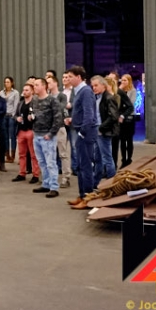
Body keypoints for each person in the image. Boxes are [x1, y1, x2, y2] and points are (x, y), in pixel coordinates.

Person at [65, 66, 98, 210]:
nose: (68, 79)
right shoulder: (78, 91)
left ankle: (88, 197)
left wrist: (82, 132)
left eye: (70, 76)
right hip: (80, 132)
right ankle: (82, 195)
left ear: (79, 77)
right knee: (79, 166)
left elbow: (89, 115)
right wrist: (73, 120)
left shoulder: (86, 92)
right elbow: (81, 112)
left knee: (85, 166)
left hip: (85, 134)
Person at [30, 77, 63, 198]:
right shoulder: (34, 100)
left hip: (47, 136)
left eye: (37, 85)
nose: (34, 87)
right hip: (36, 134)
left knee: (50, 162)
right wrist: (30, 117)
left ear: (44, 86)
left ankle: (54, 187)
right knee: (42, 162)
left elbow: (58, 118)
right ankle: (46, 183)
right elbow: (32, 112)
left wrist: (51, 133)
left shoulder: (52, 100)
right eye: (34, 85)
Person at [12, 83, 40, 184]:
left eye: (27, 90)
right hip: (21, 131)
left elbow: (39, 115)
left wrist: (33, 117)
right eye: (24, 90)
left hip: (31, 130)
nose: (24, 92)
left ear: (32, 91)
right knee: (21, 154)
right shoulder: (20, 103)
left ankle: (35, 174)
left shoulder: (35, 103)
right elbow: (15, 115)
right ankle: (22, 173)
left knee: (33, 155)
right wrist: (17, 118)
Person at [47, 75, 72, 188]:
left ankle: (66, 177)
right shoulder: (47, 96)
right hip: (49, 128)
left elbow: (60, 109)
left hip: (59, 127)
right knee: (50, 154)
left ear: (55, 83)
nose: (48, 85)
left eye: (49, 82)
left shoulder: (62, 96)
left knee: (63, 153)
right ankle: (51, 177)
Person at [92, 75, 118, 183]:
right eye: (93, 86)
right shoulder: (97, 98)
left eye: (96, 85)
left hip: (103, 131)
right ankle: (95, 182)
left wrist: (101, 128)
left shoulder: (108, 98)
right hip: (97, 130)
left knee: (107, 157)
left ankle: (112, 182)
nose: (94, 88)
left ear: (103, 85)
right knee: (97, 158)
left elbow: (113, 116)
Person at [0, 77, 20, 167]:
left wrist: (13, 115)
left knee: (12, 136)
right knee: (5, 136)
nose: (6, 83)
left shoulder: (15, 93)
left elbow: (16, 105)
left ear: (12, 83)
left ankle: (13, 155)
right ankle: (7, 155)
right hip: (4, 115)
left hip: (11, 115)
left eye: (8, 82)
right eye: (5, 82)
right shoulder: (1, 93)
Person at [118, 74, 137, 167]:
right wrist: (120, 90)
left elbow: (130, 104)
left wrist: (124, 106)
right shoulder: (119, 91)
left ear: (129, 81)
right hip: (120, 118)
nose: (123, 82)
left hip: (129, 117)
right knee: (122, 140)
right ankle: (123, 160)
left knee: (129, 139)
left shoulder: (133, 91)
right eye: (122, 80)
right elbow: (116, 101)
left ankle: (129, 159)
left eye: (125, 80)